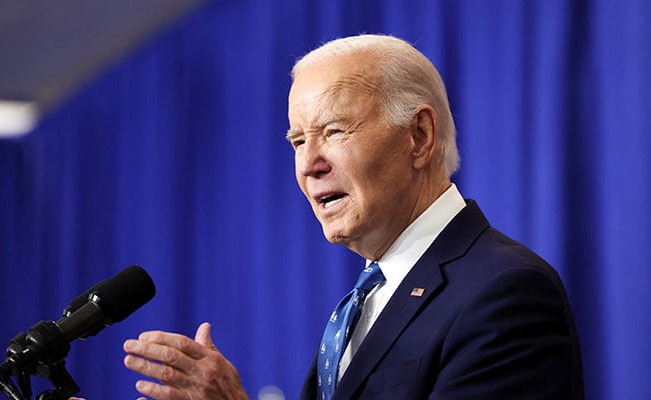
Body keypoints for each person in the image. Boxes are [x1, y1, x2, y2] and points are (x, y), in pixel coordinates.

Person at [114, 34, 585, 399]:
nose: (308, 165)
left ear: (419, 136)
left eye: (333, 131)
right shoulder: (366, 300)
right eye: (298, 141)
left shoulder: (504, 291)